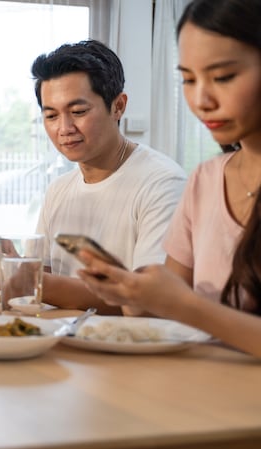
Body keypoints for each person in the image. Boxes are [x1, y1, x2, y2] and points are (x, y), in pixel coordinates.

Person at [78, 0, 261, 357]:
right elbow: (157, 310)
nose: (201, 99)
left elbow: (183, 307)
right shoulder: (206, 180)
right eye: (189, 79)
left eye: (223, 77)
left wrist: (186, 306)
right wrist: (131, 290)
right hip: (201, 394)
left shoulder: (163, 178)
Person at [0, 40, 187, 313]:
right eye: (51, 115)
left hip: (125, 348)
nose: (64, 128)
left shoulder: (162, 184)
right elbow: (47, 280)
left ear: (118, 106)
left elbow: (148, 300)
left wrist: (19, 278)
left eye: (78, 112)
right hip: (63, 341)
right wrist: (14, 266)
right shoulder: (59, 190)